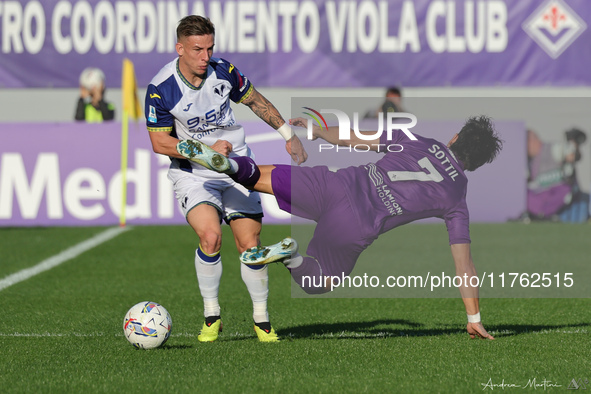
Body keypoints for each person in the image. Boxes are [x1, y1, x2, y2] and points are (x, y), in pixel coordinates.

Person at [174, 115, 502, 340]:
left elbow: (358, 139)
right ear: (478, 163)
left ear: (455, 138)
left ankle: (228, 163)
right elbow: (464, 264)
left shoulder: (418, 140)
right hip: (354, 225)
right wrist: (473, 319)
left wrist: (317, 130)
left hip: (335, 184)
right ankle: (290, 257)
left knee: (256, 176)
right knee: (319, 281)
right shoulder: (456, 195)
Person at [145, 15, 307, 343]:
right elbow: (160, 142)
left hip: (237, 170)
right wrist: (206, 152)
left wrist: (287, 134)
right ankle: (211, 316)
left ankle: (261, 321)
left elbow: (255, 100)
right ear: (180, 49)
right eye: (197, 49)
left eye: (210, 48)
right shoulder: (161, 88)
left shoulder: (223, 71)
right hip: (195, 174)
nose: (206, 56)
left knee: (250, 247)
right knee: (210, 237)